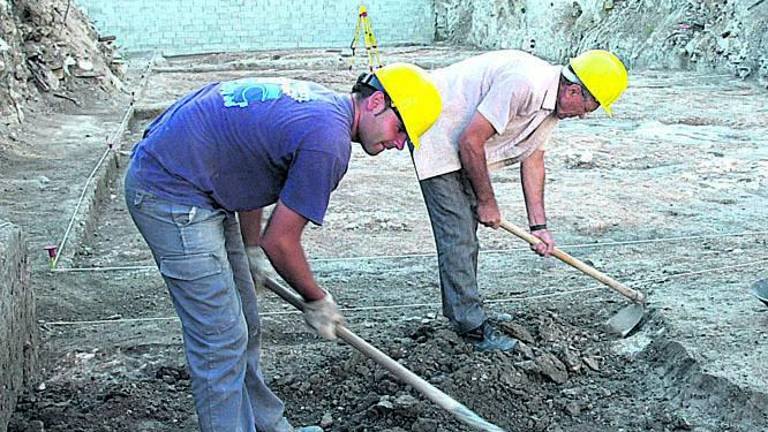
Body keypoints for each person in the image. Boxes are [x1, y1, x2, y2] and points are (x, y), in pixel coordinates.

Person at [124, 63, 441, 432]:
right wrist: (316, 299)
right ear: (375, 102)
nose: (400, 143)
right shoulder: (328, 142)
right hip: (170, 191)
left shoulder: (322, 107)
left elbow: (249, 165)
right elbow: (282, 241)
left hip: (200, 183)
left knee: (246, 322)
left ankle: (267, 426)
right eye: (400, 128)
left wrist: (250, 249)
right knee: (220, 338)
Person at [412, 49, 628, 352]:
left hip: (464, 142)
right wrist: (486, 201)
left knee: (465, 235)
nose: (581, 115)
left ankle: (465, 311)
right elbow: (470, 141)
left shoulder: (553, 105)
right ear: (575, 90)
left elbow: (534, 160)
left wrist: (539, 226)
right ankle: (470, 327)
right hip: (436, 130)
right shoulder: (526, 82)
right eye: (587, 108)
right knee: (458, 234)